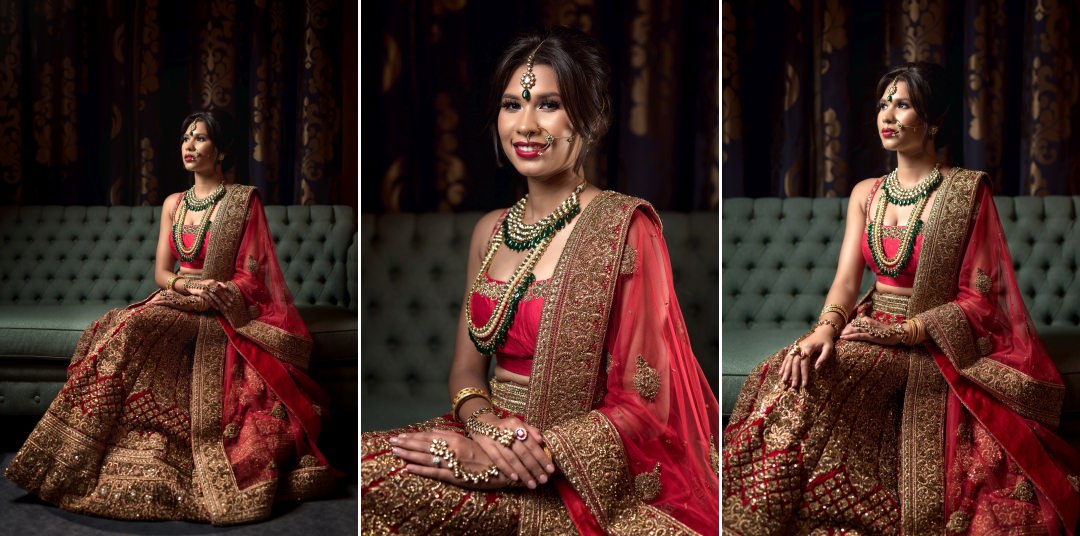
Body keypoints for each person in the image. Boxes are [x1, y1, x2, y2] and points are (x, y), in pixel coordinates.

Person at [360, 26, 720, 534]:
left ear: (591, 117)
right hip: (488, 435)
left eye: (547, 104)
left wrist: (512, 460)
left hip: (570, 467)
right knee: (363, 469)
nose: (525, 125)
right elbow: (466, 373)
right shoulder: (490, 230)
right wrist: (487, 436)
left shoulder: (624, 227)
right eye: (512, 106)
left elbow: (646, 402)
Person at [722, 62, 1080, 534]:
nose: (888, 115)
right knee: (789, 367)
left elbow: (979, 299)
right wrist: (827, 327)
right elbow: (847, 284)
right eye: (883, 103)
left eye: (903, 104)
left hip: (930, 341)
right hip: (867, 322)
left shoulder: (966, 191)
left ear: (932, 121)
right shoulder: (866, 194)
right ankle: (749, 509)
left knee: (833, 371)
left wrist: (906, 331)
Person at [4, 110, 336, 525]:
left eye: (200, 138)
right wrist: (184, 288)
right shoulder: (173, 204)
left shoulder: (242, 201)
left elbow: (252, 276)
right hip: (178, 296)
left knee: (139, 330)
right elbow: (161, 273)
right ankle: (70, 455)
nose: (189, 146)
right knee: (119, 326)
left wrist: (219, 292)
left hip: (220, 306)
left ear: (222, 150)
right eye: (185, 137)